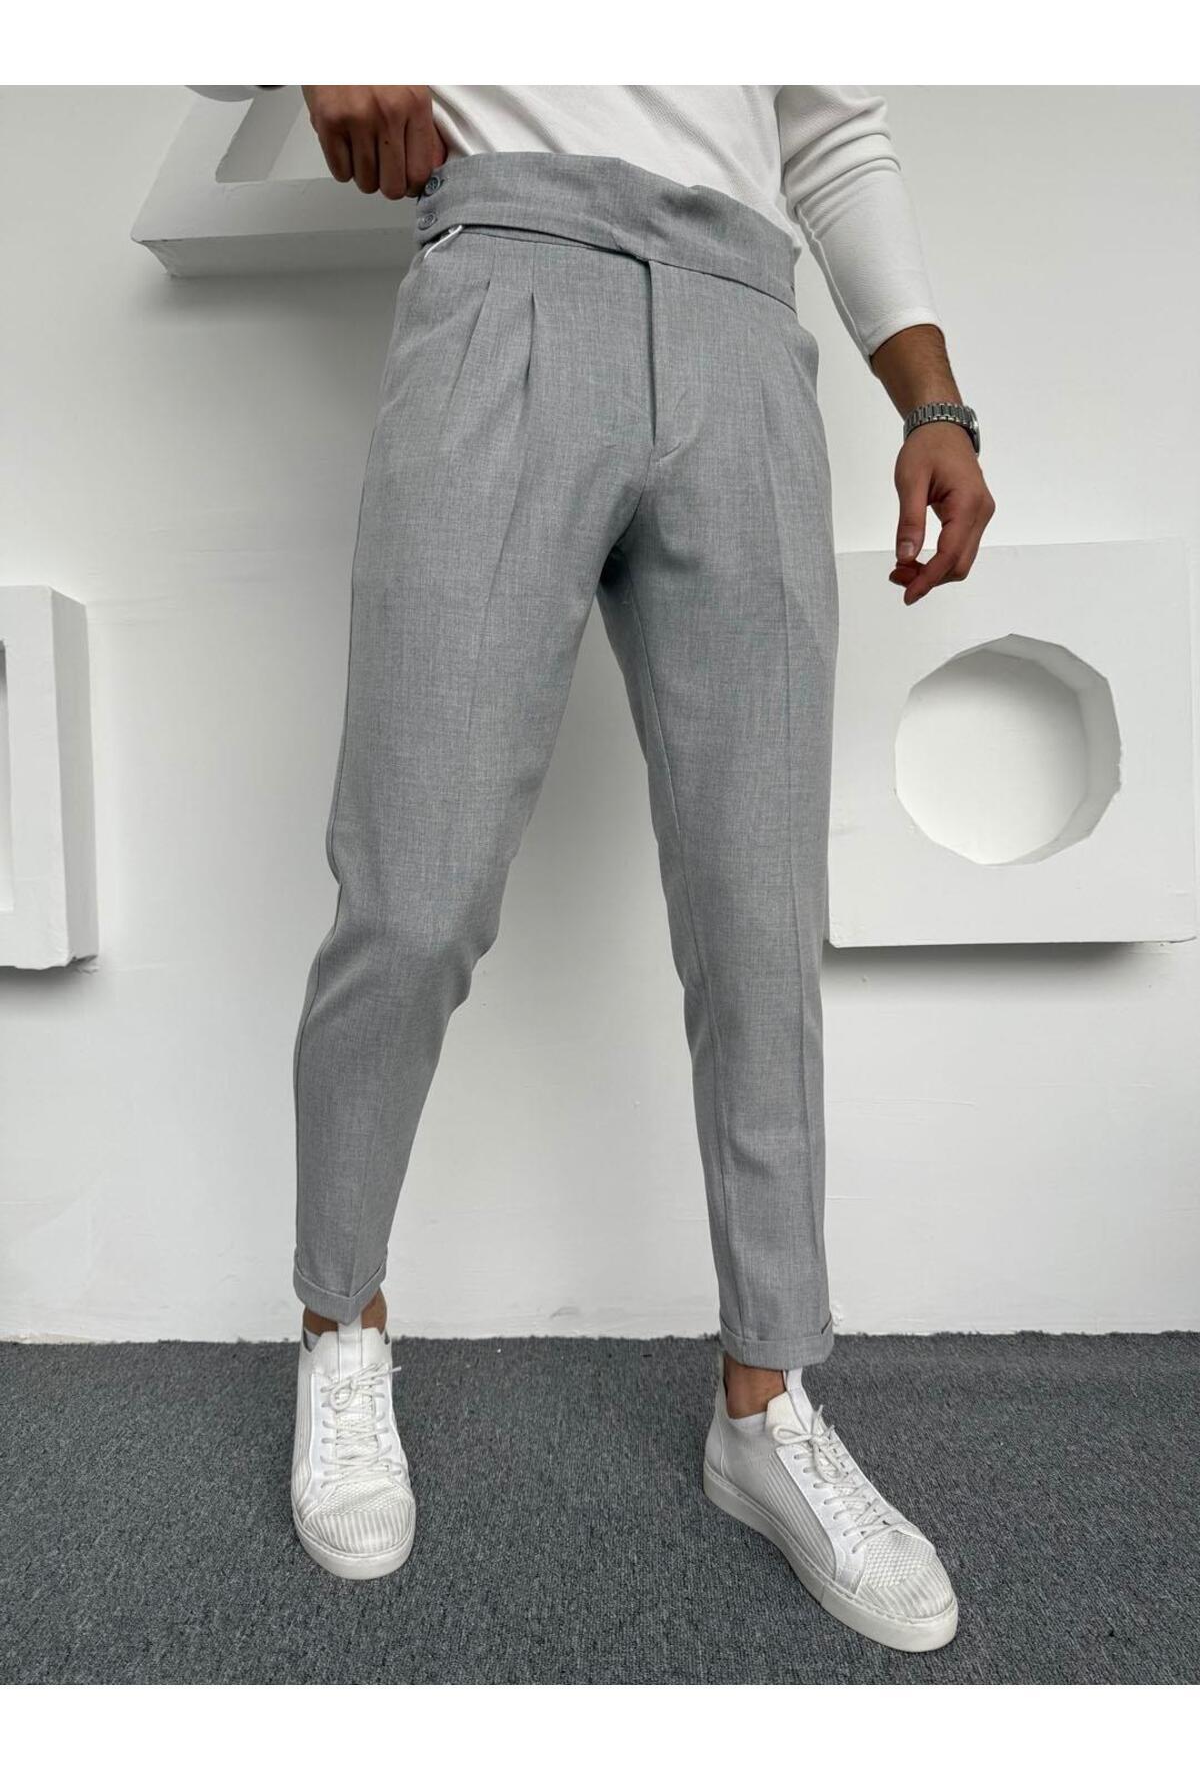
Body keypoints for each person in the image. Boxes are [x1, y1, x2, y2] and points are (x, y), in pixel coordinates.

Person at [193, 84, 994, 1651]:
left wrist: (935, 405)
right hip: (511, 268)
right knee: (413, 892)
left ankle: (766, 1405)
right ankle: (341, 1324)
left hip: (745, 326)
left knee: (760, 918)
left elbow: (833, 134)